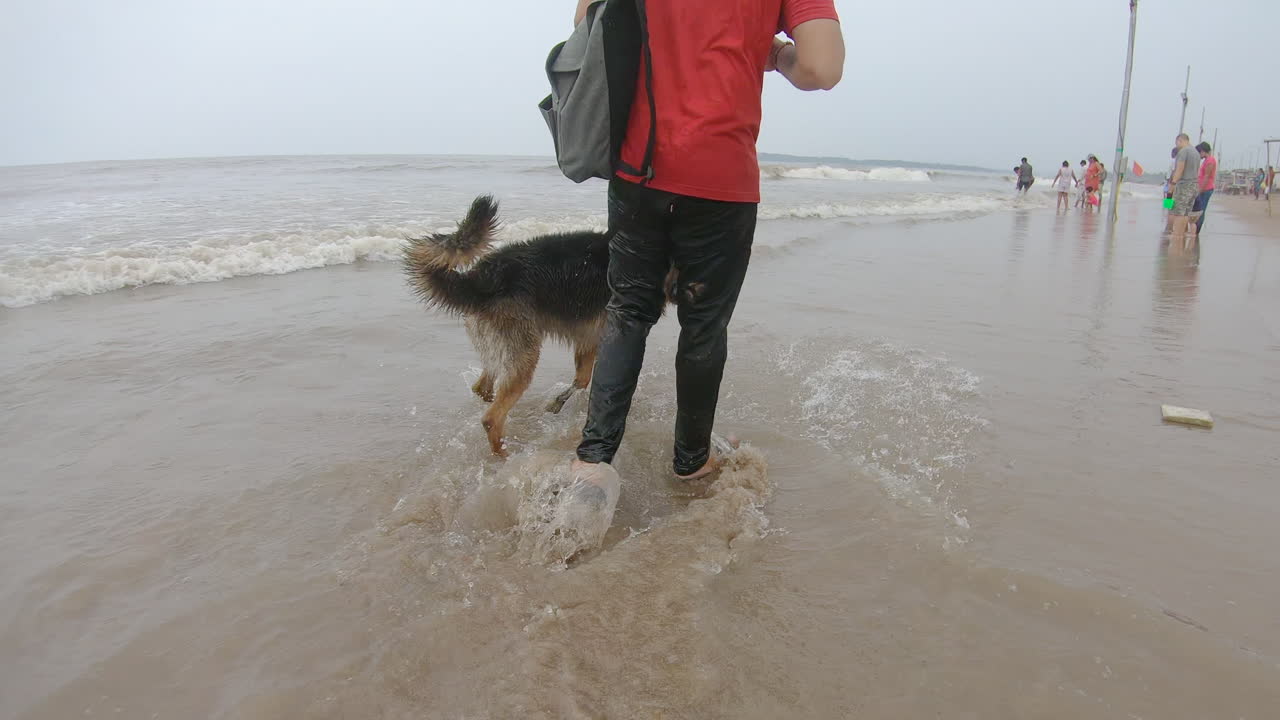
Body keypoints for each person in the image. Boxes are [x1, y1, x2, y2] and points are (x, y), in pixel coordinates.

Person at [570, 0, 845, 483]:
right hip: (721, 177)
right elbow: (822, 68)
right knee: (703, 328)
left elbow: (588, 24)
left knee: (629, 312)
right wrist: (776, 53)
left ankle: (591, 465)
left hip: (639, 167)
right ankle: (691, 462)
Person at [1167, 133, 1201, 241]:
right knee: (1186, 212)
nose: (1177, 146)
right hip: (1194, 185)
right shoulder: (1196, 152)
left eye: (1177, 143)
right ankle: (1181, 233)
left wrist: (1172, 184)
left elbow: (1179, 170)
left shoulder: (1183, 151)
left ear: (1179, 140)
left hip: (1184, 185)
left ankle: (1176, 234)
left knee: (1178, 211)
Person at [1191, 141, 1216, 238]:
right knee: (1199, 210)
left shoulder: (1210, 160)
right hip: (1203, 188)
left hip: (1206, 189)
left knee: (1201, 211)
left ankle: (1196, 231)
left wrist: (1200, 190)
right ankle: (1195, 230)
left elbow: (1206, 176)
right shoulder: (1207, 160)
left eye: (1198, 153)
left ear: (1202, 151)